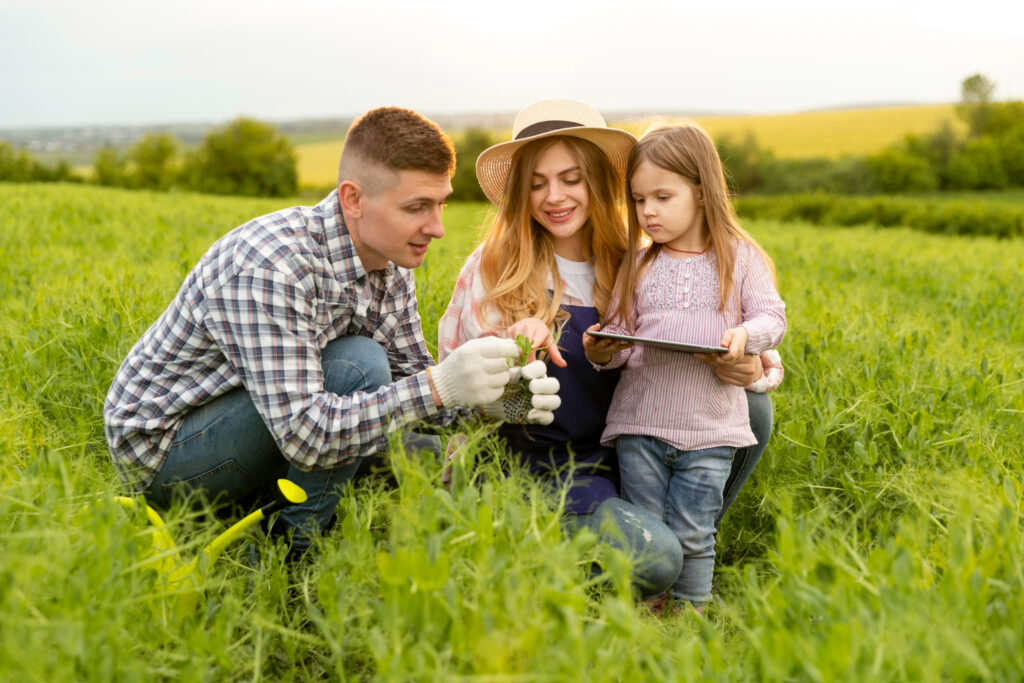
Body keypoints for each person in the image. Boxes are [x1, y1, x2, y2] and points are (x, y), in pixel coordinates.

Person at [103, 106, 560, 555]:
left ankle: (277, 501)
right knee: (360, 365)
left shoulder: (389, 262)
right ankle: (291, 550)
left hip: (273, 421)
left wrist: (495, 400)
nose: (437, 227)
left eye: (440, 203)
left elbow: (414, 384)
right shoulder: (271, 266)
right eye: (417, 207)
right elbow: (308, 434)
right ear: (353, 199)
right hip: (167, 454)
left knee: (428, 453)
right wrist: (441, 386)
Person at [438, 99, 782, 601]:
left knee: (754, 408)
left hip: (624, 453)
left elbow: (762, 359)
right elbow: (463, 403)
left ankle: (684, 545)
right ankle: (543, 574)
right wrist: (516, 350)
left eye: (571, 178)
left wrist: (745, 362)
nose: (553, 196)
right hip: (535, 466)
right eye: (537, 183)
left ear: (598, 179)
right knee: (654, 558)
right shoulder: (495, 267)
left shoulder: (634, 260)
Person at [583, 122, 787, 612]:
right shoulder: (640, 263)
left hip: (710, 428)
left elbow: (771, 318)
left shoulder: (740, 259)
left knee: (695, 533)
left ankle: (691, 621)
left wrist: (744, 337)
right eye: (637, 200)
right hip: (640, 425)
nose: (647, 211)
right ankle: (647, 618)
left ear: (700, 191)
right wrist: (602, 350)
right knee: (651, 535)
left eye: (662, 196)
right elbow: (623, 334)